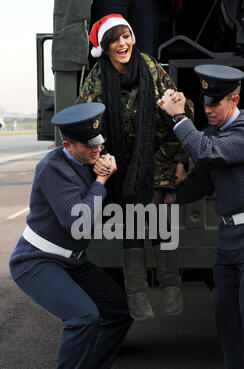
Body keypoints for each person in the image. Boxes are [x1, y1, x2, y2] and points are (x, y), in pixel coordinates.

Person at [9, 102, 133, 369]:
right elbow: (78, 221)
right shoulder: (53, 167)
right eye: (89, 146)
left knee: (118, 310)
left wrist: (104, 175)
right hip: (36, 260)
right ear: (68, 146)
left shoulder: (89, 158)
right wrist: (101, 180)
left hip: (71, 260)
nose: (98, 149)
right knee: (83, 316)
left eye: (99, 142)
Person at [77, 13, 193, 320]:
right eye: (115, 39)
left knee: (158, 210)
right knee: (129, 216)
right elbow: (83, 122)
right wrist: (98, 158)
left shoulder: (149, 67)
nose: (122, 43)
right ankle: (137, 294)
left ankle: (170, 288)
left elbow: (183, 110)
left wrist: (180, 160)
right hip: (122, 162)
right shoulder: (98, 78)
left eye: (126, 36)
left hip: (157, 155)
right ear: (104, 46)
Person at [158, 64, 244, 369]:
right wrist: (167, 198)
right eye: (205, 103)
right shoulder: (216, 132)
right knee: (227, 319)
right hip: (229, 240)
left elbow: (210, 154)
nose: (209, 109)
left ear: (235, 100)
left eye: (217, 103)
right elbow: (200, 180)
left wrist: (180, 118)